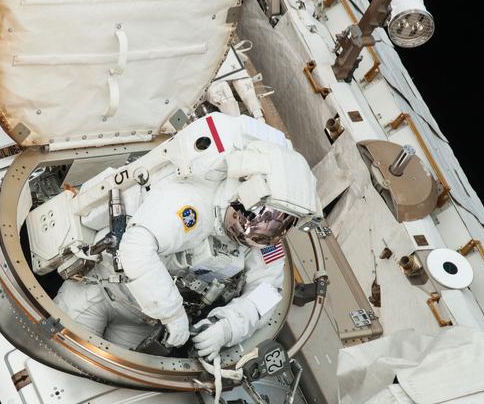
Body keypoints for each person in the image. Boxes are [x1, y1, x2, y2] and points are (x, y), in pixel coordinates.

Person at [54, 131, 318, 362]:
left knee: (106, 375)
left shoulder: (263, 243)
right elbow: (135, 248)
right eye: (257, 217)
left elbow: (270, 292)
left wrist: (227, 326)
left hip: (141, 320)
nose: (259, 234)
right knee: (63, 359)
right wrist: (173, 314)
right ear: (242, 193)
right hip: (97, 292)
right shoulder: (191, 201)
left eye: (278, 225)